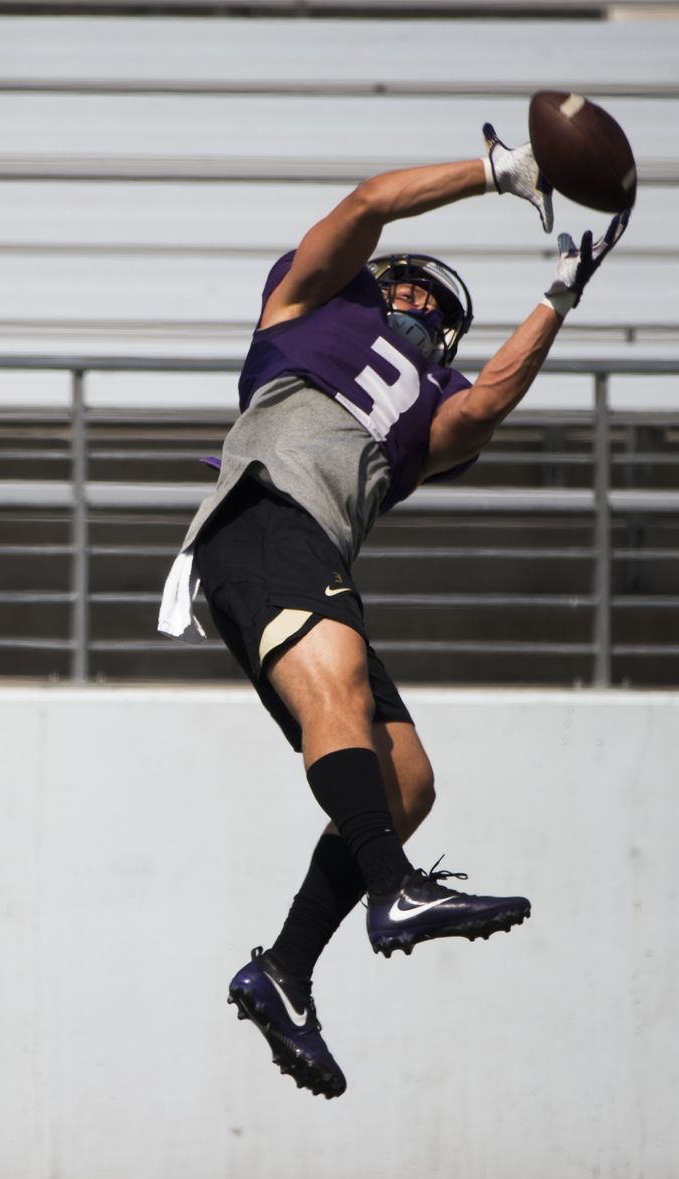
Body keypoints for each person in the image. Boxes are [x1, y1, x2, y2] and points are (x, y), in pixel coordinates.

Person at [157, 126, 630, 1099]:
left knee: (405, 783)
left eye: (433, 307)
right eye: (405, 287)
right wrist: (497, 173)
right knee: (336, 686)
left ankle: (284, 971)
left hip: (310, 550)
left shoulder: (429, 413)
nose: (415, 303)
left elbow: (485, 410)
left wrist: (559, 298)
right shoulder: (304, 304)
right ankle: (394, 889)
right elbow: (371, 203)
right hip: (260, 514)